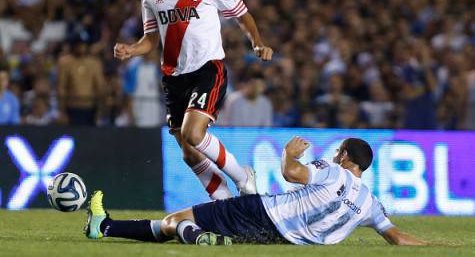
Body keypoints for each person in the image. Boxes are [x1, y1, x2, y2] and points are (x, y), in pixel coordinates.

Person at [113, 0, 273, 199]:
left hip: (208, 69)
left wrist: (257, 42)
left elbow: (242, 14)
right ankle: (223, 202)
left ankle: (242, 175)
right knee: (188, 153)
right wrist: (131, 50)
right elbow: (150, 39)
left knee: (194, 134)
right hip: (174, 77)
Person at [84, 137, 429, 246]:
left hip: (262, 212)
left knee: (175, 221)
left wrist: (289, 153)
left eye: (340, 152)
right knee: (212, 207)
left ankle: (194, 235)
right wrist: (436, 245)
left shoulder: (332, 170)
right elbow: (398, 238)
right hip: (280, 240)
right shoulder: (370, 204)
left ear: (345, 157)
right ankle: (106, 225)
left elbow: (292, 173)